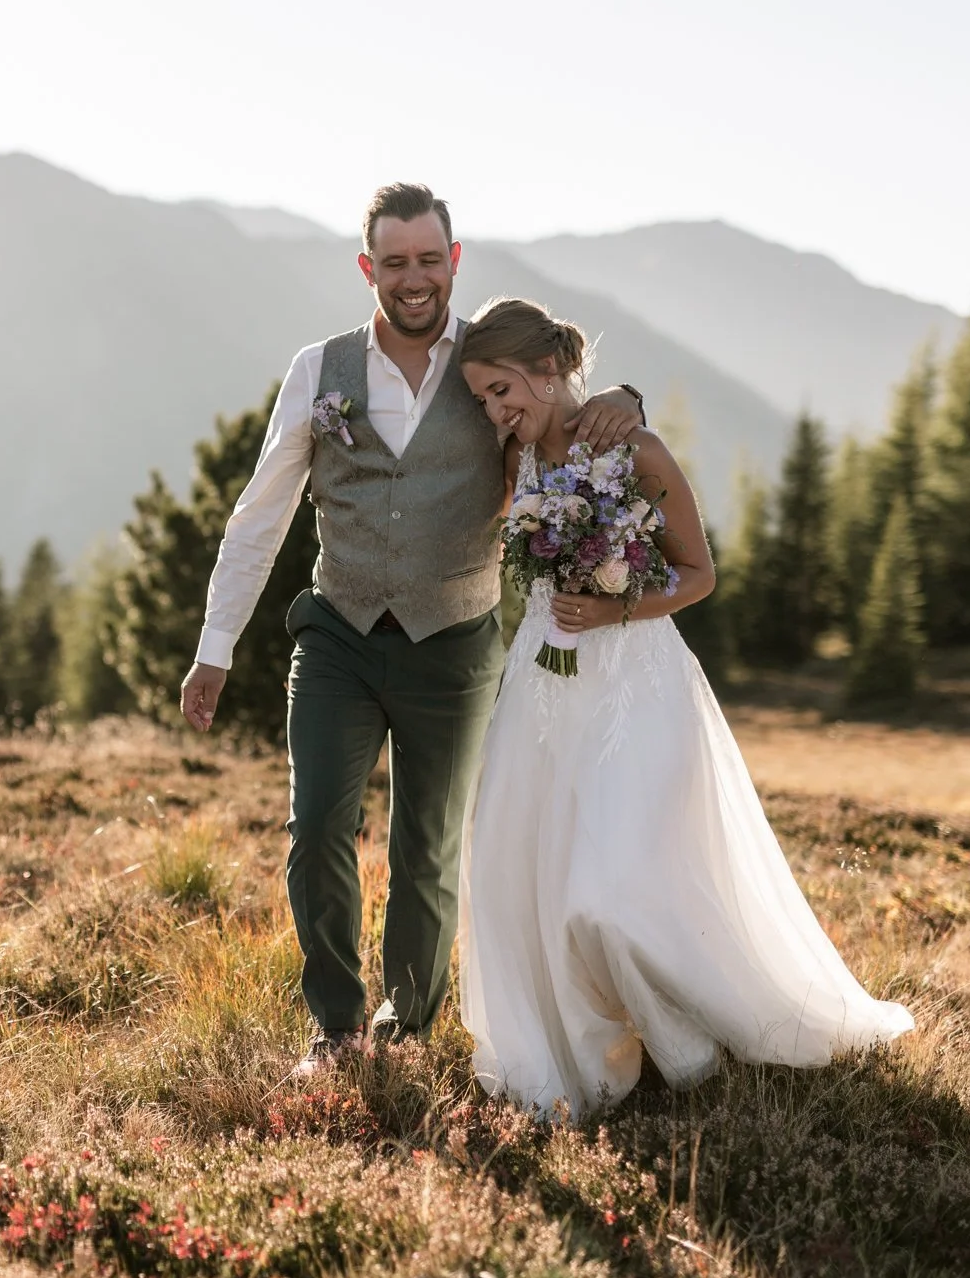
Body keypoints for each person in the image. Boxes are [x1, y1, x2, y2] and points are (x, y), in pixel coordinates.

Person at [180, 183, 645, 1073]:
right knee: (317, 823)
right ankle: (338, 1024)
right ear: (369, 269)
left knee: (426, 846)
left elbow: (568, 409)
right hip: (339, 634)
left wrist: (626, 397)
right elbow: (262, 513)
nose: (415, 278)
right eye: (395, 263)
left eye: (430, 259)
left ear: (454, 260)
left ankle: (406, 1024)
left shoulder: (489, 362)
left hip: (456, 641)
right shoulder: (320, 370)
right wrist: (214, 647)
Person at [455, 297, 913, 1118]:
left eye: (500, 390)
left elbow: (698, 573)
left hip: (634, 686)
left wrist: (611, 607)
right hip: (542, 682)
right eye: (483, 398)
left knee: (611, 885)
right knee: (527, 867)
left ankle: (686, 1043)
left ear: (549, 368)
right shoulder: (510, 456)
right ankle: (578, 1044)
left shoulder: (635, 447)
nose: (494, 410)